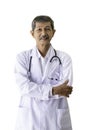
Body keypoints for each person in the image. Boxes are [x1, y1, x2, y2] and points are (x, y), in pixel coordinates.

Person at [14, 15, 73, 130]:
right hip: (30, 120)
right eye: (39, 29)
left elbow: (66, 89)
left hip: (56, 120)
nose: (43, 33)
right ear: (32, 33)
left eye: (47, 29)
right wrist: (53, 90)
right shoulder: (23, 58)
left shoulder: (64, 58)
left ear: (53, 32)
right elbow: (24, 87)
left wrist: (35, 90)